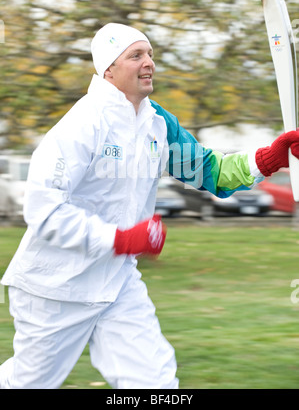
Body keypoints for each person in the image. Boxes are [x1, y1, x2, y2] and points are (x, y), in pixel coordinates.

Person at [1, 23, 299, 389]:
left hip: (117, 284)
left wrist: (268, 159)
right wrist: (121, 239)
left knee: (155, 382)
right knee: (28, 383)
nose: (149, 63)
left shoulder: (157, 124)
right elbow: (43, 209)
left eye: (150, 54)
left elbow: (212, 172)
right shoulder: (81, 125)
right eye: (136, 55)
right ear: (108, 68)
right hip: (56, 286)